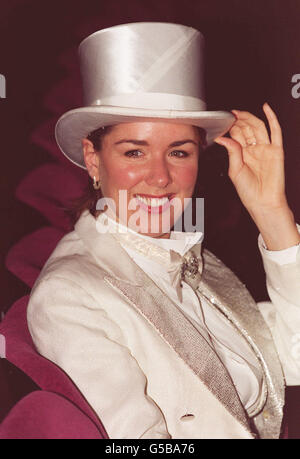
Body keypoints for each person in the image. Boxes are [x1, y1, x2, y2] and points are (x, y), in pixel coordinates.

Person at [27, 22, 300, 439]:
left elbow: (293, 354)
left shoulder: (187, 255)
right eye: (134, 151)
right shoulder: (70, 295)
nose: (159, 177)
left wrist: (272, 213)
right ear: (94, 159)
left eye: (179, 152)